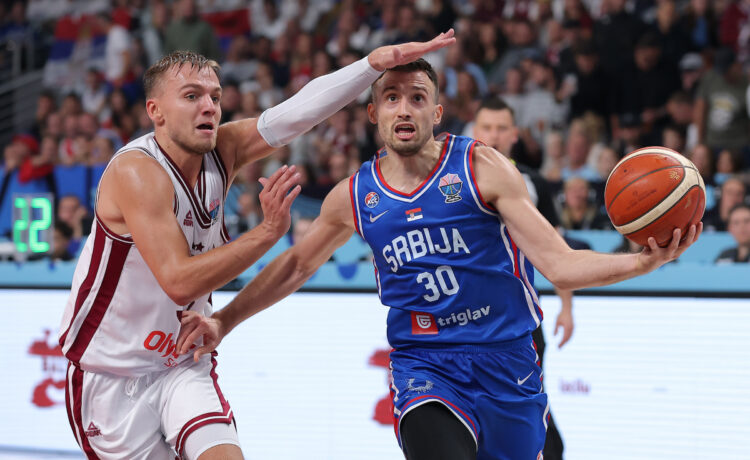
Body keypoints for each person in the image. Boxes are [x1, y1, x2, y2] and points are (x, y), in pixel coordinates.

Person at [177, 58, 700, 460]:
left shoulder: (482, 168)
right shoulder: (356, 195)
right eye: (392, 98)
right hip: (425, 366)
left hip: (508, 360)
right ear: (374, 114)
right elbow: (295, 266)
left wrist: (641, 263)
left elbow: (560, 264)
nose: (404, 109)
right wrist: (224, 320)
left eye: (417, 98)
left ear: (436, 113)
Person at [58, 31, 456, 460]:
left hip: (183, 360)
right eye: (191, 96)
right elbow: (178, 282)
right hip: (112, 375)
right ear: (155, 111)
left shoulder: (222, 149)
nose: (209, 106)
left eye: (214, 96)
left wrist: (371, 65)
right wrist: (267, 232)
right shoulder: (137, 172)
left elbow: (296, 114)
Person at [471, 96, 573, 460]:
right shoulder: (453, 181)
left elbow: (558, 251)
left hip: (520, 317)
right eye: (487, 127)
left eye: (502, 128)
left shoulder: (533, 183)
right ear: (475, 130)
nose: (494, 135)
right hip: (464, 321)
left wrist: (566, 307)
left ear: (514, 134)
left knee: (527, 406)